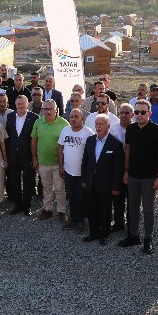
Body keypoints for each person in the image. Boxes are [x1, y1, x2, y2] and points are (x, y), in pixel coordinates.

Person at [120, 100, 158, 253]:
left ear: (149, 113)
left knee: (148, 209)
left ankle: (148, 239)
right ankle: (133, 235)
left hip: (149, 177)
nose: (139, 115)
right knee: (132, 207)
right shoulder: (131, 129)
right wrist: (126, 170)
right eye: (137, 112)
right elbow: (128, 150)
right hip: (133, 175)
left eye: (143, 112)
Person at [81, 115, 124, 245]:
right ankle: (93, 232)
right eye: (97, 124)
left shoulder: (116, 144)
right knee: (92, 208)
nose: (98, 127)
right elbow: (85, 161)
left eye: (101, 124)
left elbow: (118, 168)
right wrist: (84, 179)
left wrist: (116, 186)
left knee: (105, 210)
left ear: (108, 126)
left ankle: (104, 234)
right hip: (91, 181)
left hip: (106, 183)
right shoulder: (90, 140)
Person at [31, 100, 70, 222]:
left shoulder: (64, 124)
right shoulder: (38, 122)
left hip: (58, 164)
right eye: (45, 109)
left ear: (56, 110)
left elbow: (67, 144)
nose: (48, 111)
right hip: (43, 162)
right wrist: (34, 158)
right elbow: (34, 141)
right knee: (46, 187)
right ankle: (47, 209)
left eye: (50, 109)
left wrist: (64, 164)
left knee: (59, 189)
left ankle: (61, 212)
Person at [57, 109, 94, 230]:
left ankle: (81, 221)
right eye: (71, 116)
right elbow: (60, 148)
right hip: (68, 171)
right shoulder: (65, 130)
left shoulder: (88, 133)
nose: (73, 119)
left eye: (76, 116)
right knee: (71, 197)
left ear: (82, 118)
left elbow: (92, 155)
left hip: (81, 174)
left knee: (81, 197)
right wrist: (61, 166)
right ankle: (73, 220)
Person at [6, 95, 38, 216]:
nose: (20, 106)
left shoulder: (34, 118)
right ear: (15, 105)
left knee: (28, 181)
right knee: (14, 181)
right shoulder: (10, 117)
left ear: (27, 104)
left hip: (28, 155)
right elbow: (8, 136)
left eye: (22, 104)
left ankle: (27, 206)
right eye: (18, 104)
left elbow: (36, 138)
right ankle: (17, 205)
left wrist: (35, 157)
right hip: (13, 155)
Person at [110, 103, 133, 231]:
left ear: (132, 114)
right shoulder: (113, 129)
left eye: (127, 113)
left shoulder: (136, 128)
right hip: (117, 167)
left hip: (132, 167)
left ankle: (131, 224)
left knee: (132, 198)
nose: (123, 115)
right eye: (121, 113)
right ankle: (119, 223)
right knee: (117, 196)